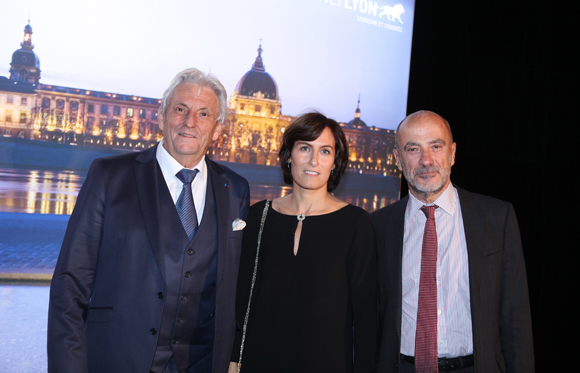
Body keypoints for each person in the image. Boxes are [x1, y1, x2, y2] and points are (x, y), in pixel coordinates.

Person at [47, 68, 250, 373]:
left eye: (204, 113)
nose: (189, 122)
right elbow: (69, 287)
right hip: (118, 360)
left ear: (219, 129)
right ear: (161, 115)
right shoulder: (109, 175)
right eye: (180, 109)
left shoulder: (235, 189)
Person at [371, 110, 534, 372]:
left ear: (452, 153)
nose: (426, 160)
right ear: (398, 159)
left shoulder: (496, 218)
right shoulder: (376, 227)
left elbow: (516, 320)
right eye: (413, 149)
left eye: (436, 146)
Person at [228, 113, 377, 373]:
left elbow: (367, 318)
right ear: (289, 155)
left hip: (327, 363)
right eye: (305, 148)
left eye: (325, 151)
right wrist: (233, 359)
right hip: (260, 361)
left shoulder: (356, 223)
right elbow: (242, 301)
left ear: (335, 162)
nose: (313, 160)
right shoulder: (258, 215)